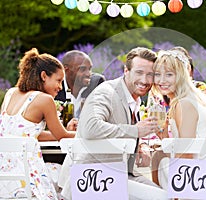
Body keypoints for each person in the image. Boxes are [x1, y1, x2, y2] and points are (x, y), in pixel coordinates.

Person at [58, 47, 168, 200]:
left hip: (119, 175)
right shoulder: (106, 92)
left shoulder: (133, 98)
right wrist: (134, 131)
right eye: (139, 73)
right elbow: (90, 128)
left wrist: (138, 145)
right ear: (126, 71)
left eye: (149, 74)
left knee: (164, 196)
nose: (144, 80)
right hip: (93, 180)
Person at [151, 49, 206, 200]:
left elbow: (187, 152)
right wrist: (163, 135)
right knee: (159, 157)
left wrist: (181, 192)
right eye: (158, 74)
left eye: (169, 74)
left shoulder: (184, 103)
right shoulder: (191, 97)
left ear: (180, 76)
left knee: (159, 161)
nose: (161, 80)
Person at [0, 48, 76, 199]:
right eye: (59, 80)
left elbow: (26, 134)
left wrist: (60, 131)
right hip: (27, 177)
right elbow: (62, 135)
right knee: (65, 175)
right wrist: (85, 132)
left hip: (5, 177)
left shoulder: (10, 93)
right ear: (43, 76)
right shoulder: (44, 99)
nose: (60, 87)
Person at [55, 50, 105, 118]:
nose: (88, 74)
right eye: (82, 69)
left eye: (89, 69)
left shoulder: (97, 83)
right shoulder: (55, 86)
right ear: (66, 69)